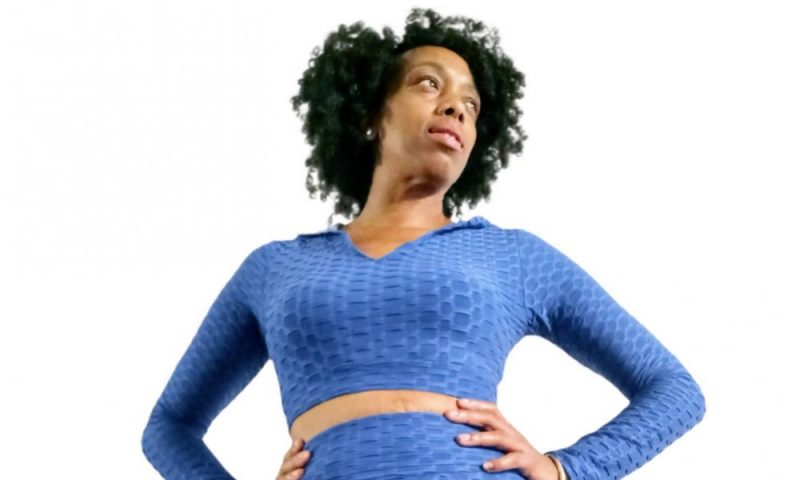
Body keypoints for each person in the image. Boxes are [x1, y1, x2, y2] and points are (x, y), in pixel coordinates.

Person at [141, 8, 706, 480]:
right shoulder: (274, 268)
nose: (456, 106)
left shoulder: (513, 256)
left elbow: (674, 391)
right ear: (370, 113)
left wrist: (566, 469)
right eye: (429, 83)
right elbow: (169, 426)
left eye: (471, 105)